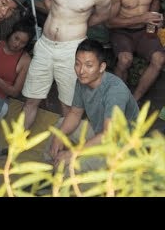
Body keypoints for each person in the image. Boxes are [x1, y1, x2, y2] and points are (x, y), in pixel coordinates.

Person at [21, 0, 111, 129]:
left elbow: (103, 16)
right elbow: (47, 0)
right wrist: (60, 17)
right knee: (31, 99)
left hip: (72, 50)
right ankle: (16, 146)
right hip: (45, 45)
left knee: (69, 105)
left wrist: (78, 22)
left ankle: (64, 153)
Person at [45, 39, 139, 176]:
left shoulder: (115, 91)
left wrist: (73, 153)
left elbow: (108, 135)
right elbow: (75, 113)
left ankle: (66, 185)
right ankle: (48, 170)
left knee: (75, 165)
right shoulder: (83, 81)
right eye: (77, 64)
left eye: (89, 65)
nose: (81, 71)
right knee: (60, 127)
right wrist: (59, 136)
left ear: (101, 67)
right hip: (99, 133)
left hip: (119, 148)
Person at [107, 0, 164, 103]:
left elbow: (155, 2)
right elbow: (110, 23)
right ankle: (120, 96)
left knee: (159, 59)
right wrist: (141, 19)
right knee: (125, 60)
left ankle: (134, 99)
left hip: (144, 30)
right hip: (122, 31)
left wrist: (153, 20)